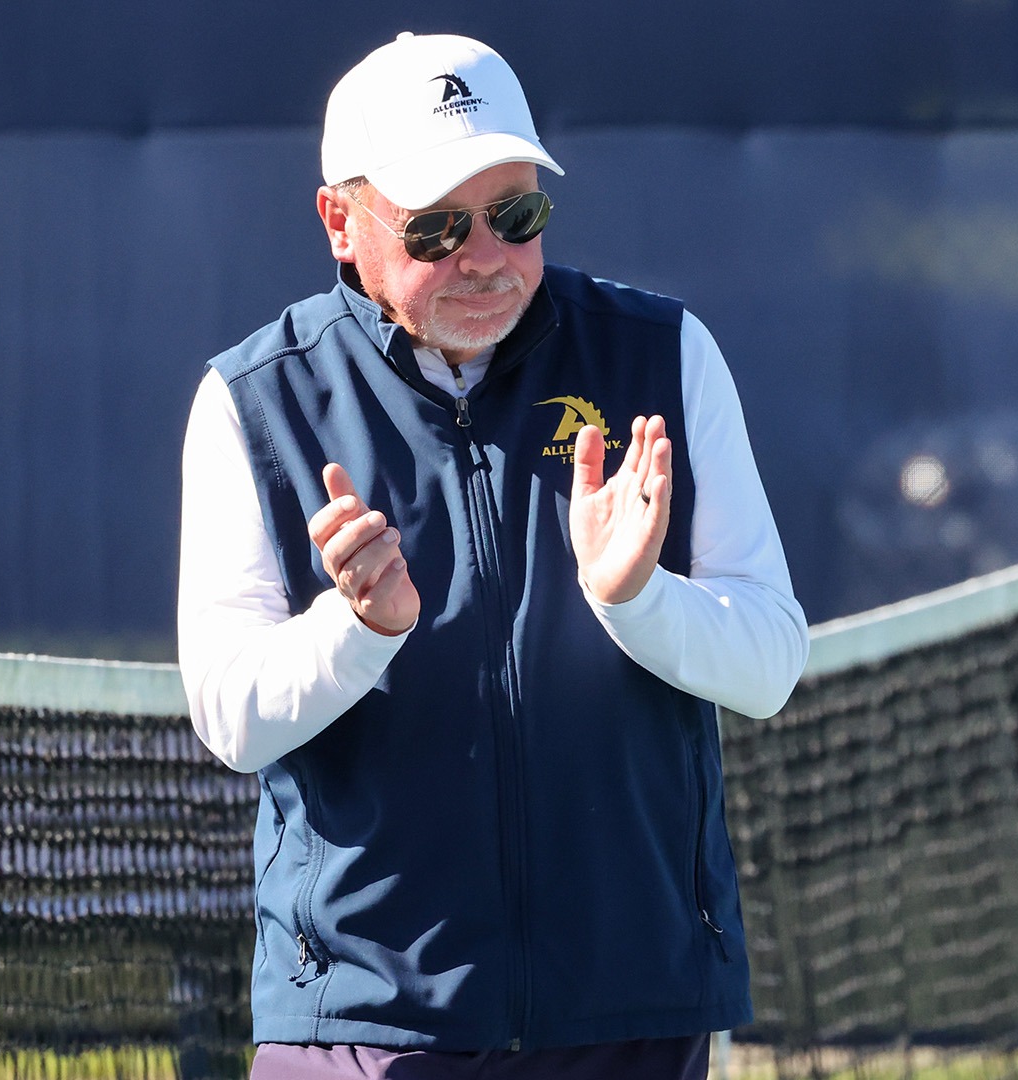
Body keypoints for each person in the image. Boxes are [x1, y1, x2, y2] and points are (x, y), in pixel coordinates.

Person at [177, 31, 809, 1079]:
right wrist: (357, 627)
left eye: (517, 216)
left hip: (633, 1012)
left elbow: (770, 664)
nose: (485, 257)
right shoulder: (253, 399)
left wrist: (637, 597)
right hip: (362, 1028)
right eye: (435, 228)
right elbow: (232, 719)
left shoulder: (666, 353)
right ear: (342, 221)